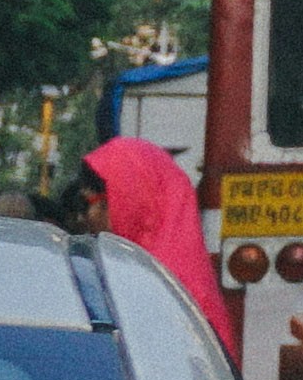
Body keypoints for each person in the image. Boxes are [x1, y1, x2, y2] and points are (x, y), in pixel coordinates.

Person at [79, 136, 228, 355]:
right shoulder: (159, 272)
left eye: (86, 204)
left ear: (125, 200)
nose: (84, 218)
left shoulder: (161, 290)